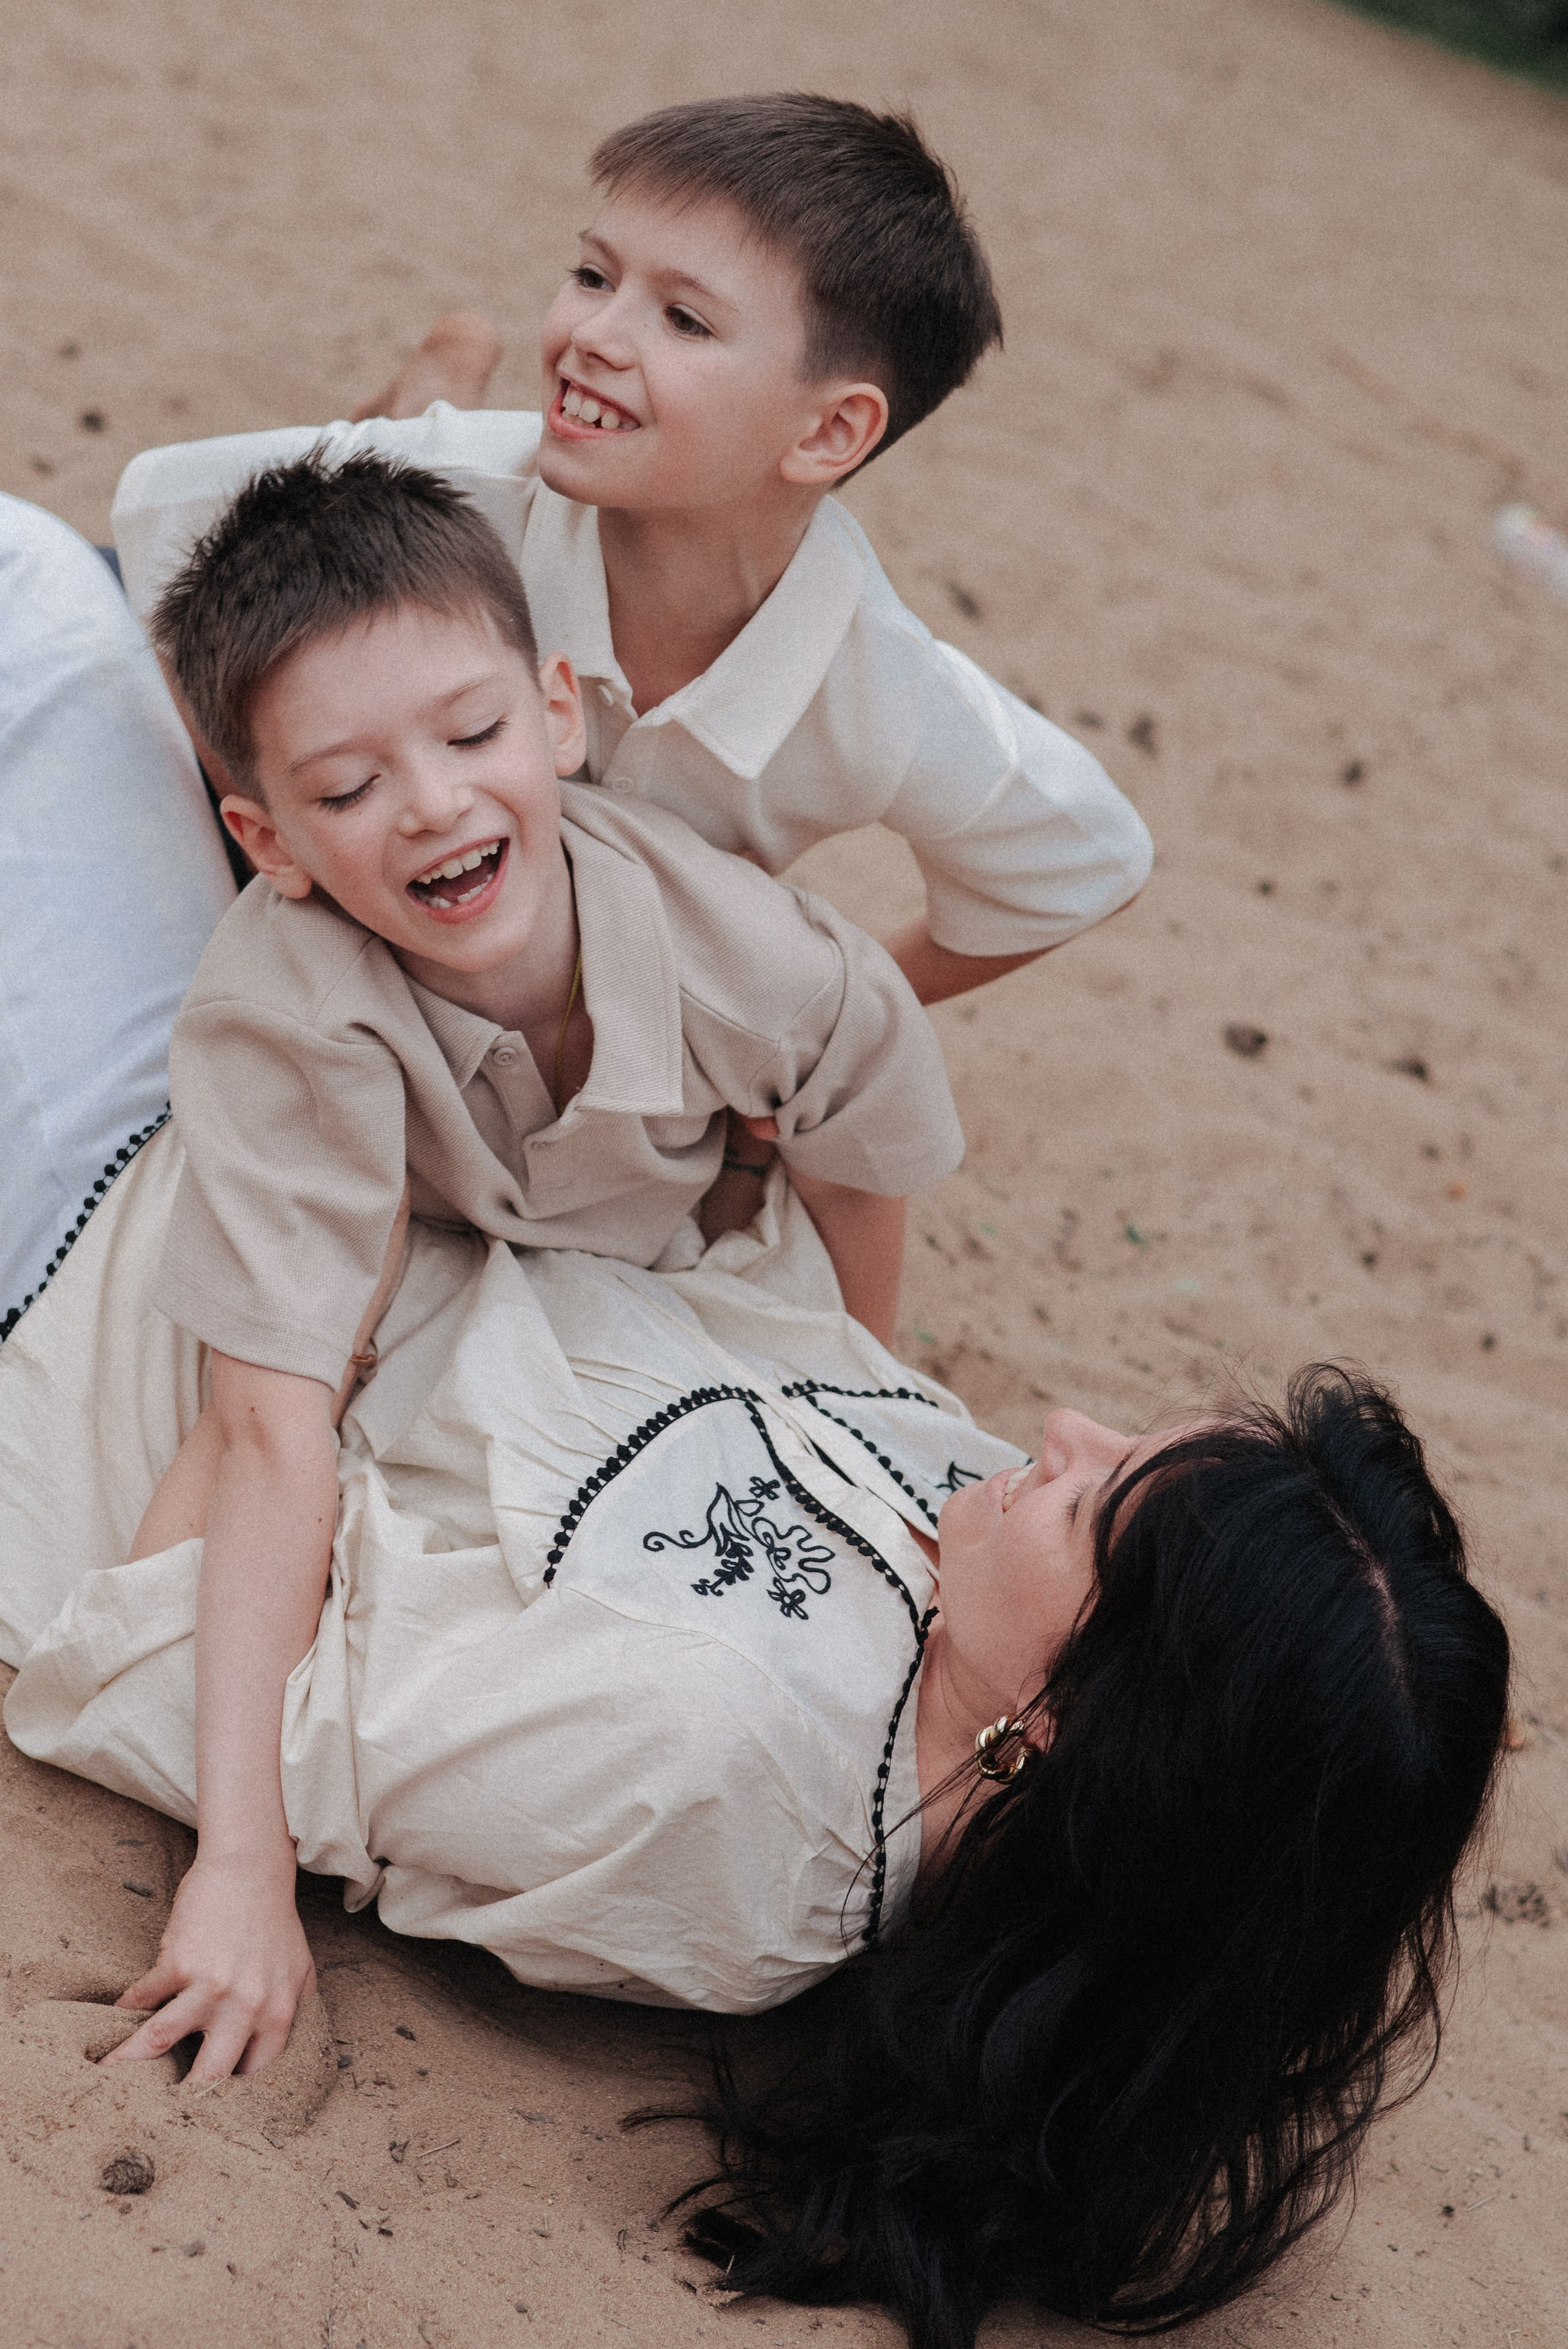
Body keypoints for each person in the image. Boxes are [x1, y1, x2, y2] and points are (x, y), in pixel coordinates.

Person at [0, 532, 1509, 2341]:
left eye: (1100, 1496)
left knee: (32, 608)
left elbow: (174, 1658)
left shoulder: (710, 1771)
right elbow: (754, 1256)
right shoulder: (978, 1568)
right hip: (312, 1106)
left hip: (83, 1253)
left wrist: (295, 1345)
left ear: (1078, 1729)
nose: (1060, 1427)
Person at [108, 94, 1155, 1035]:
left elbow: (1082, 861)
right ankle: (438, 379)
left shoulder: (880, 688)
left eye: (683, 318)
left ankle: (440, 375)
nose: (590, 335)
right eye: (592, 276)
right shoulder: (464, 483)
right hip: (419, 489)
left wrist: (829, 1011)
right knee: (383, 471)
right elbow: (166, 522)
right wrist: (281, 860)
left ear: (830, 433)